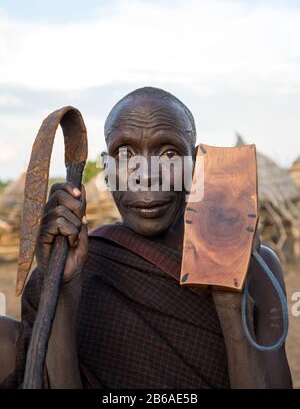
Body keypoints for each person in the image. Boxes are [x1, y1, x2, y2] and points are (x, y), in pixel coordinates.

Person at [0, 87, 292, 388]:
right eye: (125, 155)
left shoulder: (258, 266)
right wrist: (63, 292)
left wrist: (230, 300)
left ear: (195, 166)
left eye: (169, 153)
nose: (147, 174)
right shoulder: (82, 262)